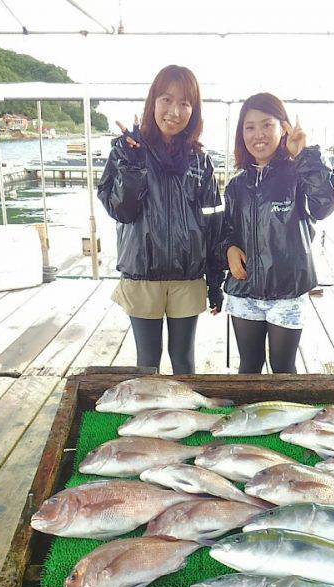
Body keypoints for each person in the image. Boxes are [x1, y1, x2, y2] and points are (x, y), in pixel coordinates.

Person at [97, 65, 223, 374]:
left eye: (185, 103)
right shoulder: (126, 149)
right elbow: (122, 211)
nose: (174, 111)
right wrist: (132, 164)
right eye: (166, 99)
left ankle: (189, 419)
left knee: (183, 361)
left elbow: (213, 221)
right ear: (153, 101)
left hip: (188, 277)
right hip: (142, 275)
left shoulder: (199, 159)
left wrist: (215, 283)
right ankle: (149, 419)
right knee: (147, 362)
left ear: (194, 111)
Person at [221, 93, 334, 374]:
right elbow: (226, 230)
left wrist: (305, 155)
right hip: (245, 291)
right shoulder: (236, 185)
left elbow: (325, 203)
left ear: (283, 128)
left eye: (267, 125)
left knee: (283, 367)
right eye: (249, 127)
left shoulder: (299, 174)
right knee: (249, 366)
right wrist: (229, 248)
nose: (258, 134)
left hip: (288, 291)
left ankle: (289, 419)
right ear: (242, 134)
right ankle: (247, 417)